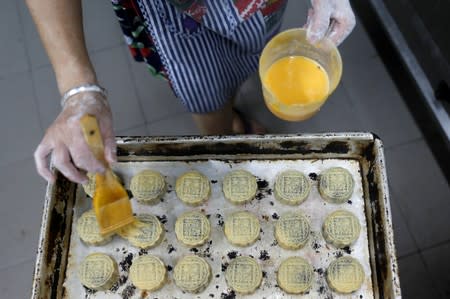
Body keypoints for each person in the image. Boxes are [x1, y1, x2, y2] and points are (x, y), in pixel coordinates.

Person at [28, 0, 355, 184]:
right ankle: (226, 131)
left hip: (259, 5)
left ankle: (233, 114)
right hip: (172, 12)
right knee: (206, 94)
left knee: (251, 56)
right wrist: (78, 90)